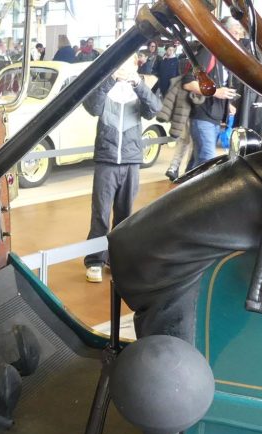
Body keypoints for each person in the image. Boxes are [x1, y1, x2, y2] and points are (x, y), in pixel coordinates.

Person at [82, 59, 162, 283]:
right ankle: (95, 261)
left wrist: (138, 83)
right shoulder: (105, 85)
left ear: (135, 65)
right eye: (121, 63)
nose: (124, 68)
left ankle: (117, 259)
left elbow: (154, 109)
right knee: (100, 214)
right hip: (106, 160)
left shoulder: (140, 88)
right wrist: (111, 79)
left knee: (125, 215)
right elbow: (92, 107)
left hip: (131, 161)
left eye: (129, 63)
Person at [181, 25, 241, 169]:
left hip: (214, 118)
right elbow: (188, 83)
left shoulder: (224, 57)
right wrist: (216, 92)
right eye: (235, 32)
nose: (238, 38)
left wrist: (227, 104)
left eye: (239, 34)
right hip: (203, 116)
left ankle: (187, 182)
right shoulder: (208, 53)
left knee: (198, 162)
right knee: (207, 161)